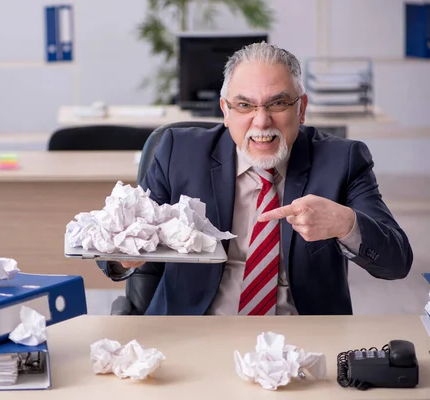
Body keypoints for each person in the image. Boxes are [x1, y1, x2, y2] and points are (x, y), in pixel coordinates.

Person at [97, 42, 413, 316]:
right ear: (225, 109)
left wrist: (346, 223)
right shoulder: (178, 152)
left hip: (301, 341)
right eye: (245, 105)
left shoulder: (342, 161)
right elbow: (117, 236)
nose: (261, 122)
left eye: (278, 103)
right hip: (192, 330)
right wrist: (122, 256)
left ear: (301, 108)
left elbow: (397, 262)